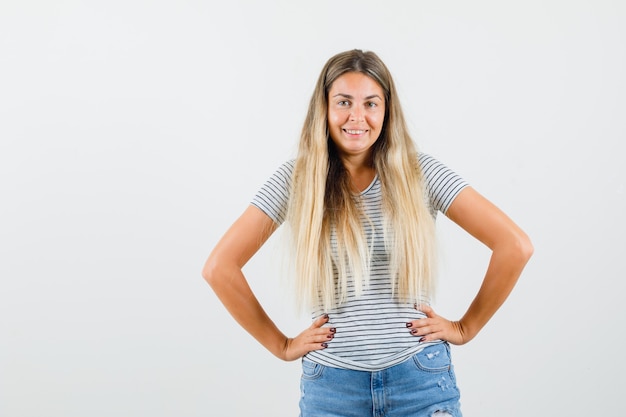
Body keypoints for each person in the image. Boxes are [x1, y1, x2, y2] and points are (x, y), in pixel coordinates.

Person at [202, 49, 533, 417]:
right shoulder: (295, 181)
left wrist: (465, 327)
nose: (356, 117)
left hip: (419, 382)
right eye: (343, 102)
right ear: (324, 109)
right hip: (332, 389)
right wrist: (280, 345)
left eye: (371, 104)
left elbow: (514, 245)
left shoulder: (419, 173)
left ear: (386, 111)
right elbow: (220, 267)